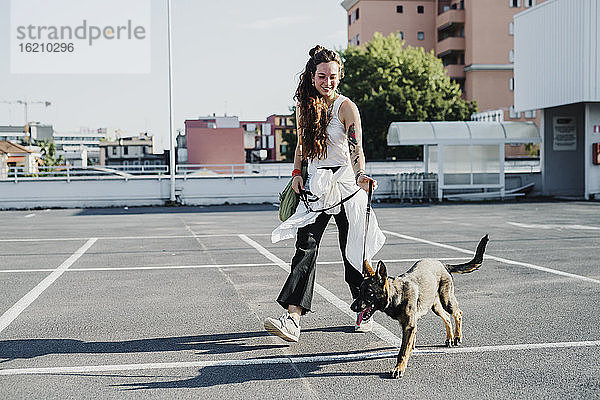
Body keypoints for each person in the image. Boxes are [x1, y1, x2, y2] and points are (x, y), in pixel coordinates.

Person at [264, 45, 386, 343]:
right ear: (312, 75)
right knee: (305, 247)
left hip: (346, 183)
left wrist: (360, 175)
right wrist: (295, 173)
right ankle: (293, 318)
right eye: (322, 76)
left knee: (353, 251)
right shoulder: (303, 105)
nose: (327, 81)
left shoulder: (346, 107)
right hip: (317, 184)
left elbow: (356, 146)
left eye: (332, 76)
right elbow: (301, 145)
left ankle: (365, 304)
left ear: (339, 76)